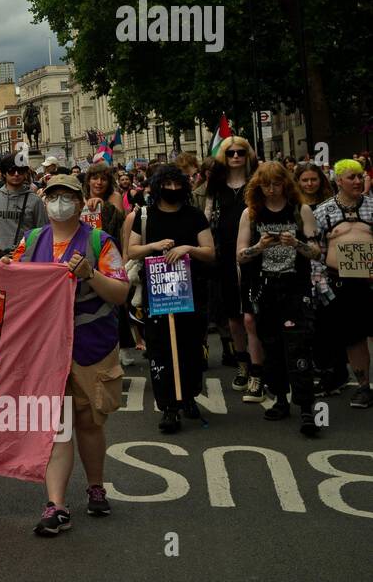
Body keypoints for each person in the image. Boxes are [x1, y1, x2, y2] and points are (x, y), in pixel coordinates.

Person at [0, 175, 130, 535]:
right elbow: (7, 281)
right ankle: (56, 505)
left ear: (80, 201)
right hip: (44, 352)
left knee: (89, 423)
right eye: (54, 196)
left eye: (68, 196)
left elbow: (120, 293)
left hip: (91, 348)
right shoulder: (30, 242)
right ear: (46, 202)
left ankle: (96, 487)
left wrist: (91, 275)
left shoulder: (99, 242)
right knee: (57, 427)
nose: (61, 202)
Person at [128, 165, 216, 432]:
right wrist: (154, 246)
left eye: (178, 185)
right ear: (157, 187)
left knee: (189, 347)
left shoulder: (194, 215)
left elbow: (210, 252)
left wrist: (188, 248)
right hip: (158, 293)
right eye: (168, 184)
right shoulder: (144, 215)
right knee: (161, 349)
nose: (173, 190)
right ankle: (168, 406)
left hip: (191, 292)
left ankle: (188, 396)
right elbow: (131, 250)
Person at [235, 163, 322, 433]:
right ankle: (280, 399)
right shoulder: (251, 214)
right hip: (264, 288)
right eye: (266, 185)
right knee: (271, 346)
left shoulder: (300, 211)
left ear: (285, 184)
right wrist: (258, 247)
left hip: (294, 288)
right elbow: (239, 254)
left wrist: (295, 243)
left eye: (276, 184)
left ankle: (306, 407)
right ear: (258, 187)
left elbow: (316, 251)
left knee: (298, 346)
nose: (271, 190)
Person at [312, 159, 373, 409]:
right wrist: (321, 286)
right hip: (343, 283)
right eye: (351, 177)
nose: (357, 181)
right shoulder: (323, 211)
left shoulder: (372, 206)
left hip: (371, 282)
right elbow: (317, 252)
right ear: (339, 181)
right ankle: (363, 387)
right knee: (354, 337)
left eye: (360, 176)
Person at [205, 136, 260, 396]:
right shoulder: (216, 185)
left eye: (241, 152)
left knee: (254, 314)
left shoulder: (257, 181)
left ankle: (261, 365)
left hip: (256, 253)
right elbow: (206, 216)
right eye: (230, 153)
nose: (236, 157)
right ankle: (242, 365)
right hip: (225, 253)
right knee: (234, 315)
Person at [0, 153, 48, 259]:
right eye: (12, 171)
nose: (16, 174)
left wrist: (29, 252)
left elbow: (44, 232)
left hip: (23, 262)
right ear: (4, 173)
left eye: (21, 170)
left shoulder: (35, 201)